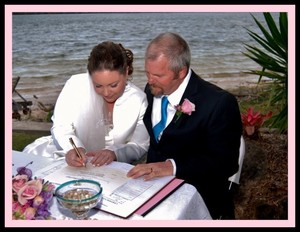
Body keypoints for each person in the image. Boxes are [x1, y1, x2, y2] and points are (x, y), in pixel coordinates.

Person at [127, 32, 243, 219]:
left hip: (199, 198)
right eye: (147, 72)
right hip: (151, 191)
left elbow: (226, 164)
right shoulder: (153, 89)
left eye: (157, 75)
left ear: (181, 72)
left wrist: (171, 167)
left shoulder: (219, 103)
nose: (149, 80)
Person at [23, 41, 149, 167]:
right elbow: (61, 126)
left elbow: (140, 145)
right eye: (98, 85)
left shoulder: (139, 99)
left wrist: (115, 153)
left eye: (113, 85)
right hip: (63, 156)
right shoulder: (75, 85)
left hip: (113, 168)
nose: (106, 93)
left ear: (126, 72)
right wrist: (74, 148)